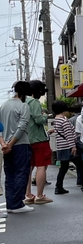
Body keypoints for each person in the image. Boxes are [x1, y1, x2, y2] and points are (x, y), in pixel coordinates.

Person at [0, 81, 33, 213]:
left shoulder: (4, 105)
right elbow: (22, 127)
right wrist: (11, 143)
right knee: (21, 172)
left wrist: (4, 144)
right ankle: (17, 204)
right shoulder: (23, 106)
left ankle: (10, 203)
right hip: (20, 144)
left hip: (5, 146)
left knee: (10, 174)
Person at [25, 80, 53, 205]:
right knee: (41, 166)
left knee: (28, 168)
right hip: (38, 139)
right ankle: (40, 195)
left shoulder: (22, 102)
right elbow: (38, 120)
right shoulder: (34, 102)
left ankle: (28, 195)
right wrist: (46, 116)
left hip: (26, 139)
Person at [52, 100, 83, 194]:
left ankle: (58, 187)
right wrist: (73, 147)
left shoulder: (56, 120)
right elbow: (69, 135)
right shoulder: (64, 120)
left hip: (61, 147)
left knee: (63, 168)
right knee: (81, 165)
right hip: (69, 147)